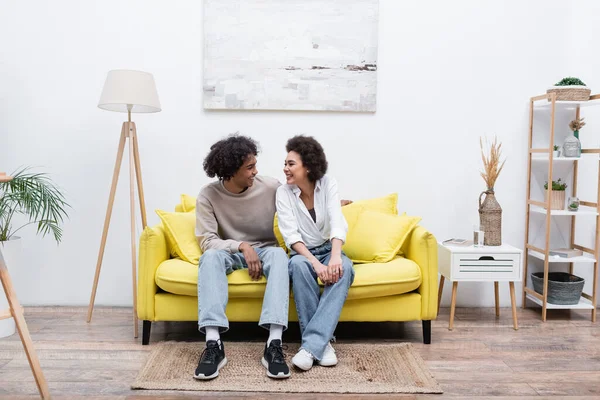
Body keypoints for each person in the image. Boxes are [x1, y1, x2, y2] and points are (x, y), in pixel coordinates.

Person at [194, 134, 291, 380]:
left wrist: (330, 206)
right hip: (231, 251)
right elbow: (207, 240)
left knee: (280, 255)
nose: (255, 172)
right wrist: (241, 246)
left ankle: (274, 344)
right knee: (210, 258)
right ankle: (213, 344)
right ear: (230, 171)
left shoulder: (270, 187)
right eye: (249, 167)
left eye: (255, 165)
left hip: (267, 251)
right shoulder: (208, 196)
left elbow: (299, 204)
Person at [275, 135, 355, 371]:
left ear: (307, 166)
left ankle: (311, 346)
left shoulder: (328, 183)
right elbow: (291, 237)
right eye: (285, 163)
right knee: (299, 267)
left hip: (329, 248)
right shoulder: (283, 193)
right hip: (303, 253)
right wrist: (315, 264)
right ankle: (323, 344)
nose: (285, 168)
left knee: (346, 268)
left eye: (291, 164)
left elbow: (337, 221)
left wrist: (335, 257)